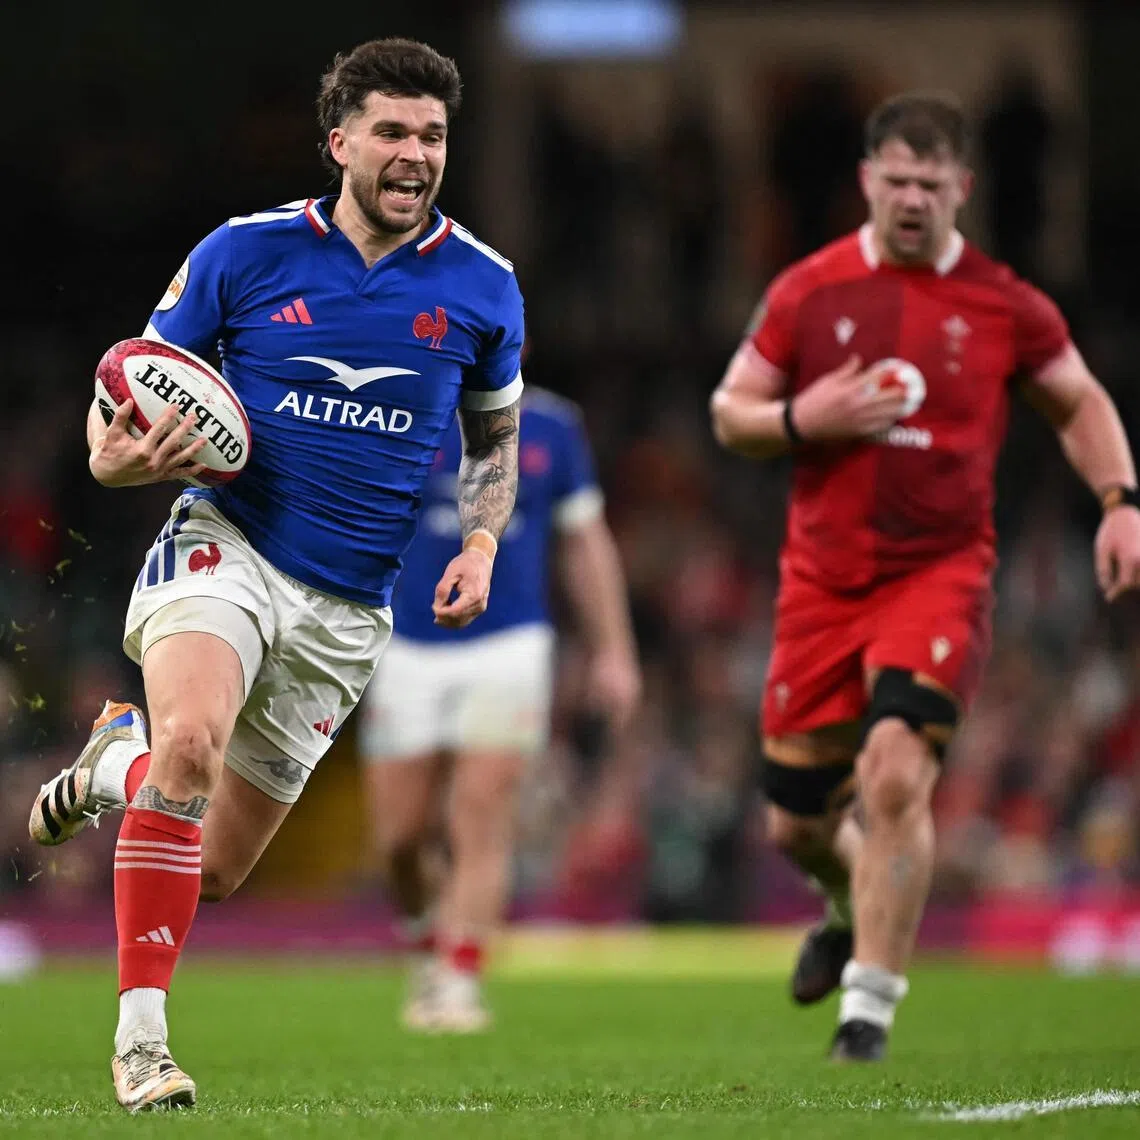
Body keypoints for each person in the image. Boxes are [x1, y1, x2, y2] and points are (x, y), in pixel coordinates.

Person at [27, 38, 524, 1111]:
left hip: (350, 605)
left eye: (432, 135)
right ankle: (142, 1044)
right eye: (391, 132)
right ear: (339, 141)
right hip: (229, 545)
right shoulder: (241, 255)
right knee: (194, 747)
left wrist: (482, 542)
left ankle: (118, 762)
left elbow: (494, 443)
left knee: (211, 865)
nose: (414, 154)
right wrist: (114, 456)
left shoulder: (485, 287)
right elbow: (126, 393)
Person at [709, 90, 1140, 1062]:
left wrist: (1121, 503)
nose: (911, 199)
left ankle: (867, 1012)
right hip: (821, 586)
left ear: (963, 188)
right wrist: (795, 422)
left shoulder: (1007, 303)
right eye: (895, 181)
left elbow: (1079, 403)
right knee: (793, 825)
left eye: (930, 184)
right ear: (867, 181)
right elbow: (729, 410)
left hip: (938, 576)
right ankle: (843, 905)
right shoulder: (808, 290)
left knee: (896, 769)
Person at [359, 385, 641, 1032]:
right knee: (399, 837)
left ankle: (459, 976)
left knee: (479, 816)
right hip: (406, 640)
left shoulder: (552, 426)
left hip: (511, 641)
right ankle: (429, 940)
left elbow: (585, 541)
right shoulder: (401, 405)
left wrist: (614, 651)